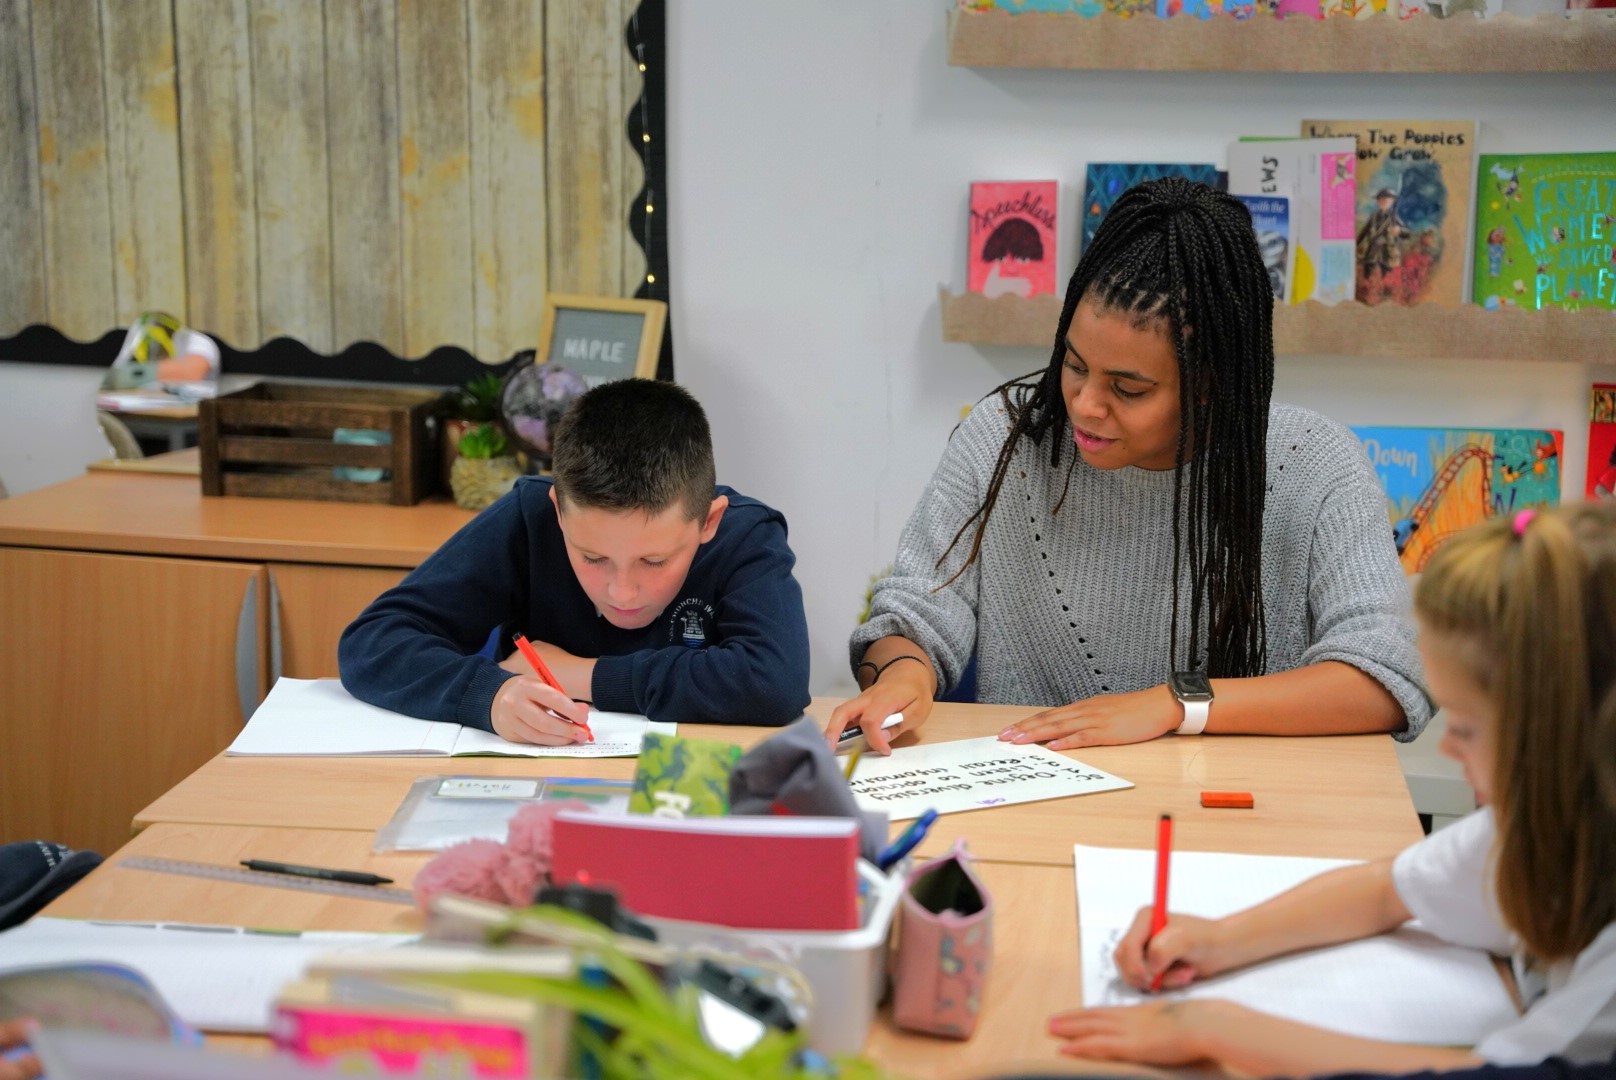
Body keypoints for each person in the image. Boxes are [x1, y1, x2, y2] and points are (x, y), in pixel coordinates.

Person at [830, 177, 1429, 754]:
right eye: (1074, 363)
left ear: (1207, 385)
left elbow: (1384, 674)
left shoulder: (1316, 467)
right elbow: (919, 608)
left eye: (1129, 388)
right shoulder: (1004, 437)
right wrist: (904, 672)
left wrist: (1177, 704)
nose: (1085, 405)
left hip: (1238, 818)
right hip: (1032, 804)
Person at [1046, 500, 1616, 1073]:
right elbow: (1386, 891)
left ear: (1563, 739)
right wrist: (1222, 939)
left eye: (1464, 728)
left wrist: (1217, 1030)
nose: (1447, 749)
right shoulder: (1544, 827)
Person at [341, 378, 811, 744]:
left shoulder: (745, 537)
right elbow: (373, 642)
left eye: (653, 561)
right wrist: (489, 695)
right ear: (558, 513)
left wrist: (582, 675)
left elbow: (774, 681)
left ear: (707, 523)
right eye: (592, 557)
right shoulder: (528, 520)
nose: (622, 591)